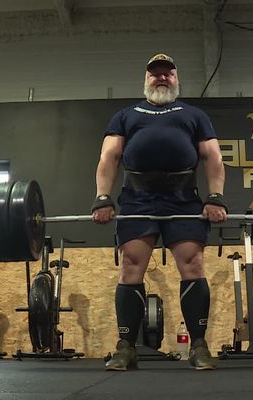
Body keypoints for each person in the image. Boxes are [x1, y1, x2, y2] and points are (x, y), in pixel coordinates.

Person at [92, 53, 227, 371]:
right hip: (138, 199)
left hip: (183, 198)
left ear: (176, 79)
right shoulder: (126, 115)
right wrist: (102, 197)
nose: (161, 78)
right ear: (146, 79)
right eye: (155, 74)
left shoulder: (193, 115)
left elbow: (213, 157)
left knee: (193, 265)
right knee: (130, 266)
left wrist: (216, 197)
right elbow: (109, 157)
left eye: (167, 74)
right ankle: (126, 347)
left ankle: (198, 346)